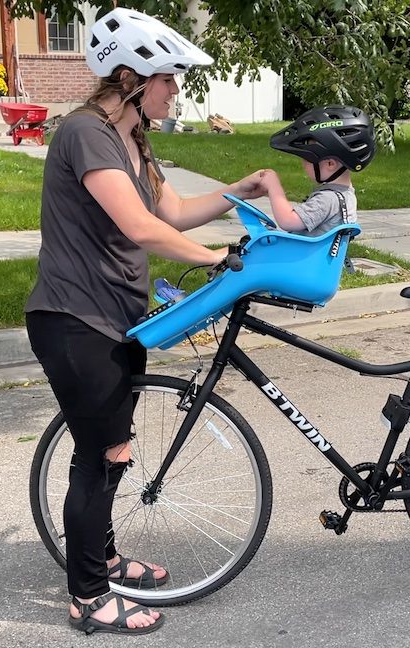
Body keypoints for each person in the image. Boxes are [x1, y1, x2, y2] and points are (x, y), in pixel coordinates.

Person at [23, 7, 267, 636]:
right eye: (167, 78)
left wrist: (247, 189)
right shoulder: (85, 133)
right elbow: (139, 227)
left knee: (112, 453)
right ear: (130, 76)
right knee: (102, 456)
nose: (175, 90)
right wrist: (217, 258)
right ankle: (88, 597)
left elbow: (175, 211)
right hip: (76, 319)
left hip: (117, 319)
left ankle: (103, 559)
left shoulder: (133, 138)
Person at [257, 105, 376, 237]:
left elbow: (288, 221)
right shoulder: (346, 194)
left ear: (330, 164)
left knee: (239, 250)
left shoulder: (328, 199)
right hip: (313, 255)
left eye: (307, 158)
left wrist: (273, 187)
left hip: (303, 257)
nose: (303, 164)